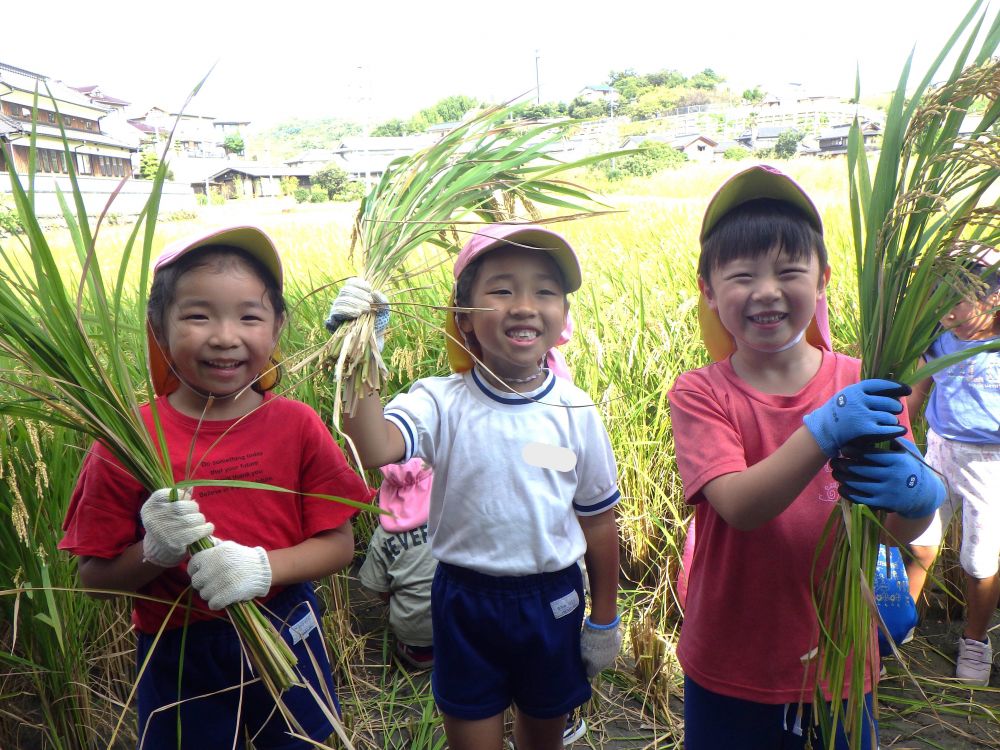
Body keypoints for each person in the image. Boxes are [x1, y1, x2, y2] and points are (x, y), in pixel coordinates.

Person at [60, 226, 372, 749]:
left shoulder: (296, 425)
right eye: (198, 315)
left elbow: (340, 545)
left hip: (287, 628)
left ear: (276, 329)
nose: (226, 336)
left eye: (249, 316)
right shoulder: (129, 442)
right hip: (178, 650)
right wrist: (155, 551)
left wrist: (263, 569)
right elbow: (94, 580)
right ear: (158, 329)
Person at [667, 165, 946, 749]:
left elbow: (893, 531)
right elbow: (741, 506)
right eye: (742, 275)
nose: (766, 291)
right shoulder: (700, 393)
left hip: (840, 661)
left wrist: (920, 495)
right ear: (708, 289)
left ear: (822, 278)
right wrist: (822, 429)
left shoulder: (866, 384)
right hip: (730, 662)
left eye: (789, 271)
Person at [327, 223, 622, 750]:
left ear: (563, 318)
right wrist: (359, 352)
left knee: (543, 736)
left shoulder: (576, 411)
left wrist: (604, 618)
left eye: (545, 291)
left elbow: (597, 518)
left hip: (551, 600)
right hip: (465, 599)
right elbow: (374, 446)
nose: (525, 305)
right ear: (463, 319)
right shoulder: (440, 402)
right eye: (502, 289)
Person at [904, 248, 1000, 686]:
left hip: (990, 465)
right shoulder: (939, 340)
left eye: (956, 303)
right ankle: (900, 623)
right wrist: (894, 432)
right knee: (921, 543)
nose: (947, 317)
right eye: (938, 307)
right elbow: (917, 393)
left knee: (979, 560)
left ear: (993, 296)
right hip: (940, 453)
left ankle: (976, 640)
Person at [359, 457, 438, 670]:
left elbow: (379, 590)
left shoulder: (381, 537)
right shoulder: (448, 519)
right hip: (458, 635)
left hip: (415, 646)